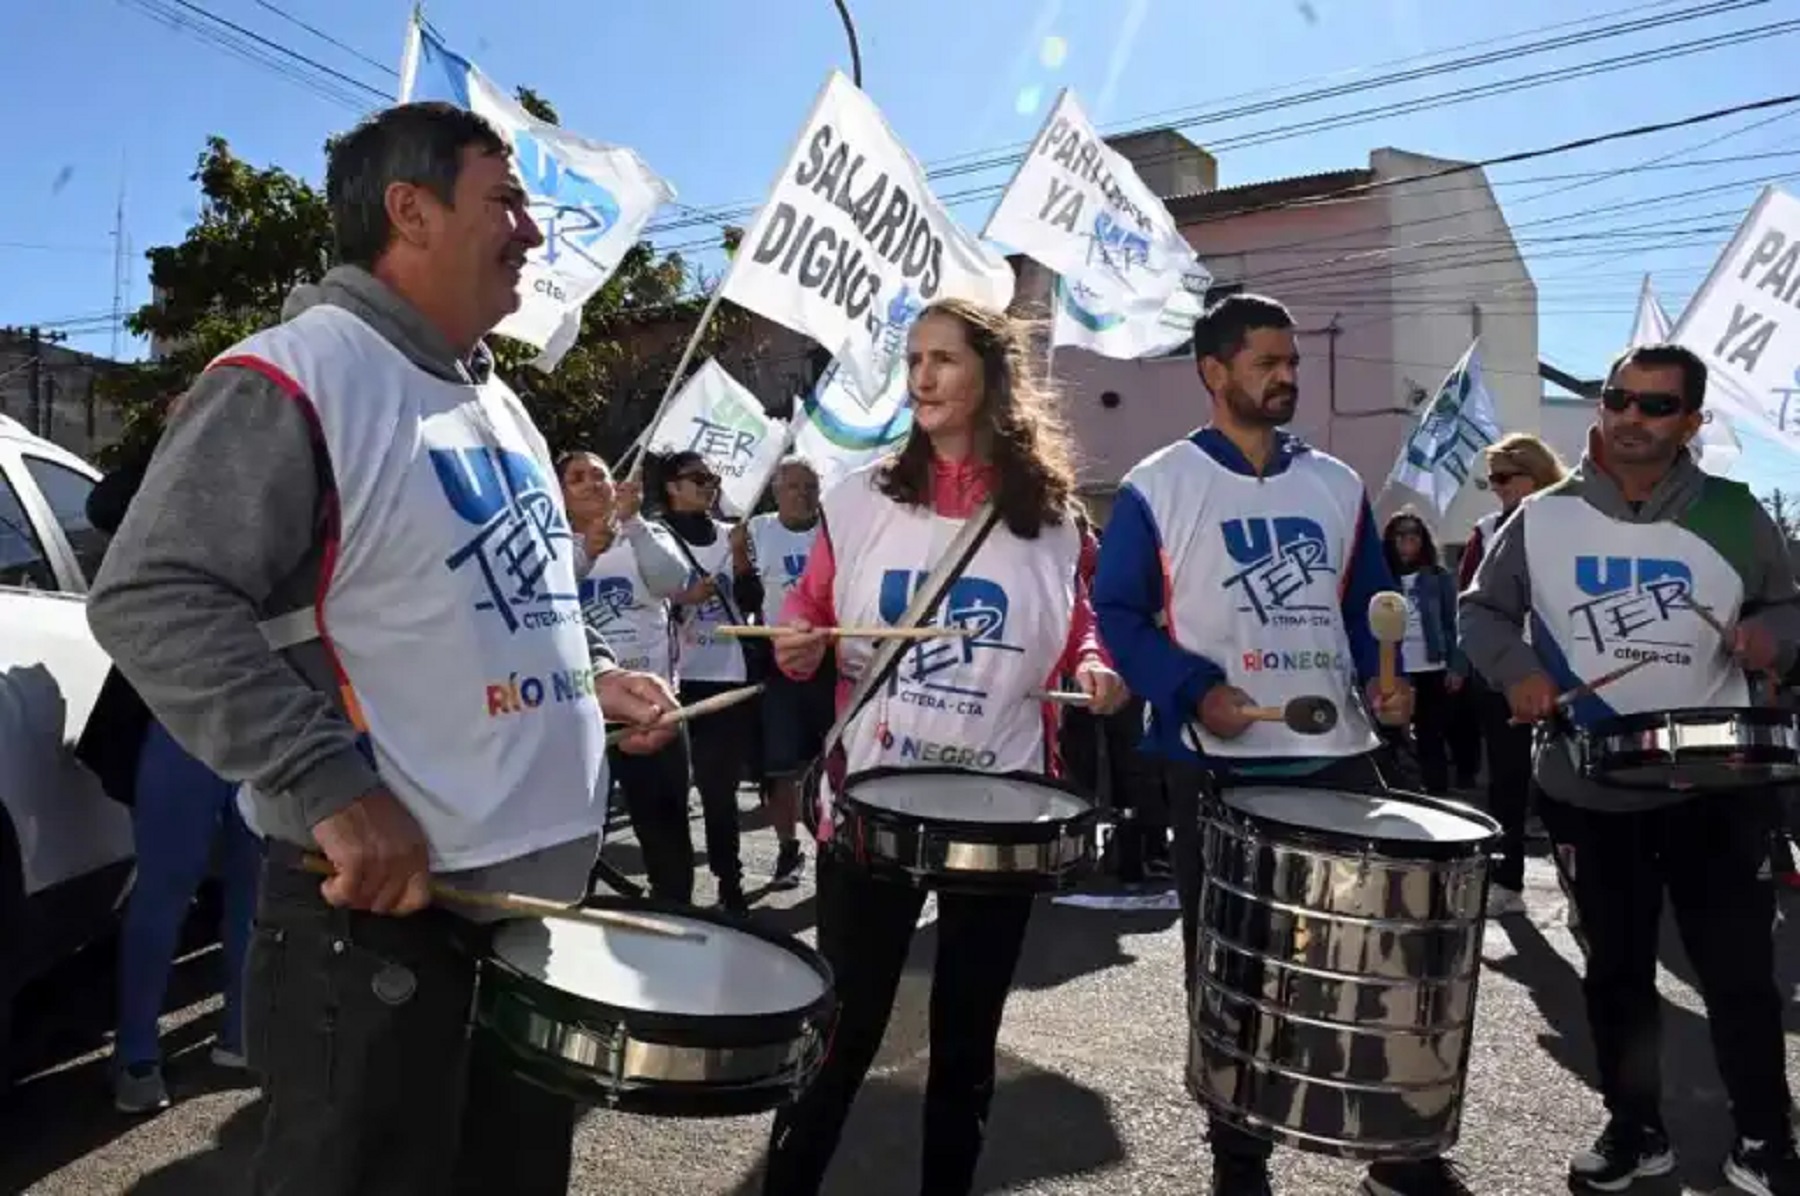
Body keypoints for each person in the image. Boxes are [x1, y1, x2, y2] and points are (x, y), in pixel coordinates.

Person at [84, 102, 679, 1196]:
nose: (532, 233)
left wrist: (596, 684)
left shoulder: (499, 399)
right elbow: (152, 595)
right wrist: (325, 781)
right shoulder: (293, 375)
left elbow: (496, 600)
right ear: (409, 210)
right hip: (385, 945)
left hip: (530, 925)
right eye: (504, 201)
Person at [1093, 293, 1469, 1196]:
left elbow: (1366, 608)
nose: (1287, 376)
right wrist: (1193, 690)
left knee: (1374, 959)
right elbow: (1118, 613)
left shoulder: (1338, 484)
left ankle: (1394, 1150)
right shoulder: (1158, 484)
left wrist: (1390, 683)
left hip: (1337, 751)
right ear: (1214, 371)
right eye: (1268, 361)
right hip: (1216, 762)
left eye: (1292, 361)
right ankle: (1238, 1155)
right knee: (1229, 966)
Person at [759, 297, 1126, 1196]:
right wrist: (797, 641)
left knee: (964, 1047)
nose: (922, 377)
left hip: (999, 804)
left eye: (945, 360)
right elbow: (808, 612)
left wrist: (1096, 668)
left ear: (993, 378)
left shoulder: (1056, 521)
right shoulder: (860, 498)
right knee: (839, 1035)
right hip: (872, 799)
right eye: (914, 360)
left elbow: (1083, 627)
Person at [1460, 342, 1800, 1196]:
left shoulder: (1734, 510)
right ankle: (1633, 1129)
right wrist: (1520, 671)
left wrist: (1776, 638)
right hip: (1591, 783)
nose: (1633, 418)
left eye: (1658, 406)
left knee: (1739, 975)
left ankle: (1764, 1137)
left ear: (1690, 420)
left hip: (1721, 785)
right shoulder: (1538, 516)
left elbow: (1787, 603)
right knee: (1614, 972)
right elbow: (1481, 611)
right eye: (1621, 399)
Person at [78, 425, 262, 1114]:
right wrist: (172, 433)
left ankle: (240, 1033)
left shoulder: (293, 490)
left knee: (254, 889)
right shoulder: (168, 488)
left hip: (267, 720)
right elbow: (103, 507)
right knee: (166, 888)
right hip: (177, 716)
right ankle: (135, 1055)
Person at [559, 450, 698, 903]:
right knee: (579, 836)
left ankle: (676, 915)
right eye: (577, 477)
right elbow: (545, 592)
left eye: (599, 474)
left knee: (665, 833)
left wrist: (634, 526)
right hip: (580, 717)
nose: (592, 483)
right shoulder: (547, 544)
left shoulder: (647, 534)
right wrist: (583, 552)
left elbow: (674, 582)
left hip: (651, 714)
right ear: (558, 492)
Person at [1457, 433, 1568, 917]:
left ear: (1536, 474)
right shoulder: (1485, 531)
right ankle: (1508, 878)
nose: (1497, 488)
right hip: (1503, 674)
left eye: (1505, 477)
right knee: (1507, 777)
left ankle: (1580, 883)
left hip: (1565, 671)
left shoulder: (1573, 519)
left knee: (1565, 780)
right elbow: (1469, 603)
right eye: (1491, 479)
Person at [646, 447, 759, 912]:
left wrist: (739, 560)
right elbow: (649, 599)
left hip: (725, 676)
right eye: (699, 478)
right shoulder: (657, 535)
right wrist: (685, 597)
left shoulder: (729, 535)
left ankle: (728, 882)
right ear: (673, 487)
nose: (710, 486)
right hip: (672, 678)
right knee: (669, 789)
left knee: (719, 789)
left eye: (713, 478)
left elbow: (752, 598)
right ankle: (672, 890)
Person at [732, 454, 829, 890]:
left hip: (829, 659)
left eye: (810, 487)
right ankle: (789, 848)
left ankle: (832, 843)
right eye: (794, 487)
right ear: (775, 491)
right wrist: (737, 556)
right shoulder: (756, 532)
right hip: (776, 661)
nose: (804, 495)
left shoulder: (834, 534)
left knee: (831, 762)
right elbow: (745, 595)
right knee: (779, 766)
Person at [1381, 509, 1461, 796]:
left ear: (1422, 541)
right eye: (1399, 536)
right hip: (1393, 667)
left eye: (1413, 536)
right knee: (1389, 734)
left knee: (1431, 735)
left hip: (1431, 665)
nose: (1406, 542)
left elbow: (1453, 624)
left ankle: (1437, 793)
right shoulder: (1380, 576)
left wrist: (1455, 666)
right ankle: (1394, 790)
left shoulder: (1438, 578)